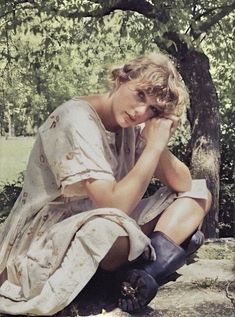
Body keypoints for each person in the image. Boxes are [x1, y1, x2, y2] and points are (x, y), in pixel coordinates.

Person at [0, 52, 211, 315]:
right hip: (51, 235)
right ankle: (166, 251)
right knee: (106, 231)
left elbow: (184, 182)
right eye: (140, 95)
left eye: (153, 110)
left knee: (198, 193)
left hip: (107, 221)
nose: (140, 112)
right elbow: (114, 205)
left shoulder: (132, 126)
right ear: (121, 79)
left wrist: (157, 141)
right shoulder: (75, 119)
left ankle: (143, 274)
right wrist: (153, 148)